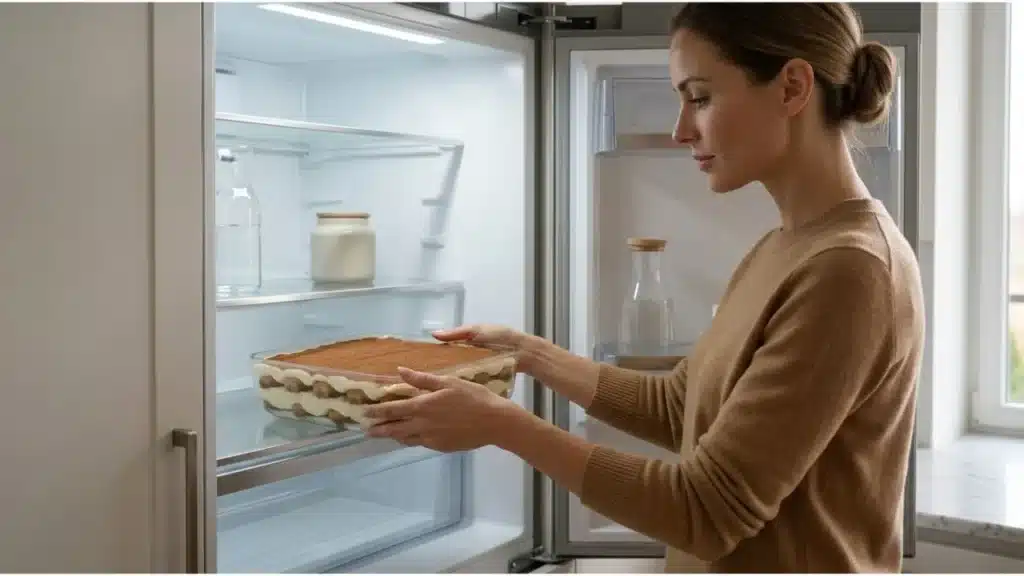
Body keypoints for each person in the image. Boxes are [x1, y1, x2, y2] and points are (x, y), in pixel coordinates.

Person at [365, 3, 925, 573]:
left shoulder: (851, 271)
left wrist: (502, 425)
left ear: (792, 87)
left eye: (701, 97)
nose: (682, 129)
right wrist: (526, 355)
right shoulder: (787, 245)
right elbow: (682, 407)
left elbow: (706, 509)